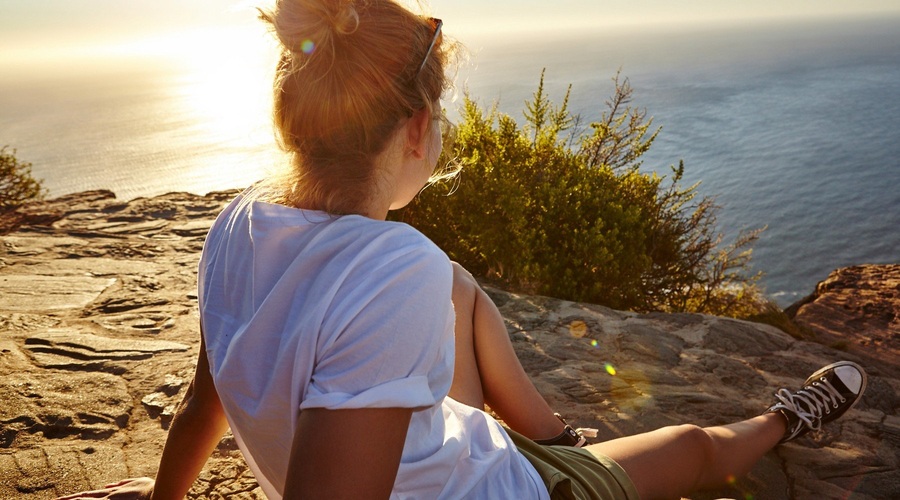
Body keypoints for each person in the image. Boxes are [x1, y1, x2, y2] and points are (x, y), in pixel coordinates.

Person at [59, 1, 867, 499]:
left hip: (442, 439)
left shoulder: (238, 223)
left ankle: (551, 438)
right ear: (416, 131)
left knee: (457, 284)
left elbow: (207, 398)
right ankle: (781, 419)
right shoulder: (389, 266)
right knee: (693, 451)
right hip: (498, 487)